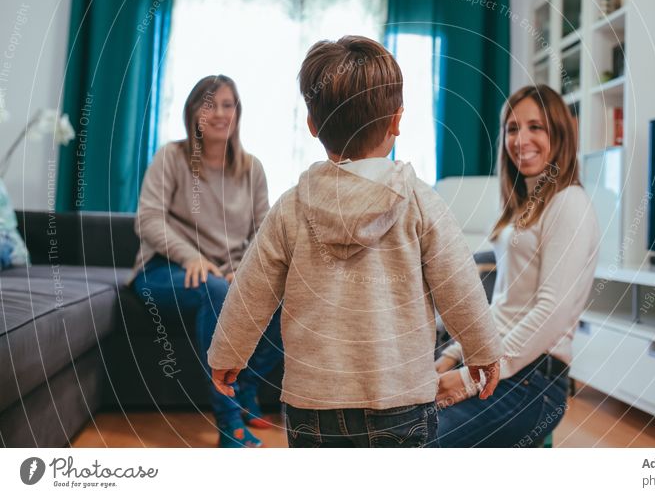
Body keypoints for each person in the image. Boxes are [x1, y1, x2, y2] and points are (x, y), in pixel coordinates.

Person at [207, 36, 503, 448]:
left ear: (312, 126)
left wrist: (227, 354)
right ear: (397, 120)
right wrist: (483, 350)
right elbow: (460, 285)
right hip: (402, 402)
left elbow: (250, 291)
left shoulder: (291, 207)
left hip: (313, 404)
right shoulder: (419, 201)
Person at [435, 84, 600, 447]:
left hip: (533, 380)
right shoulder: (521, 205)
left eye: (535, 127)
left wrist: (469, 379)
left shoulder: (569, 202)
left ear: (559, 133)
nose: (521, 139)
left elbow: (552, 310)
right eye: (512, 128)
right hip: (499, 363)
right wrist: (451, 356)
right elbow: (504, 306)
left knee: (421, 443)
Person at [130, 75, 283, 448]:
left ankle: (247, 389)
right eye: (209, 104)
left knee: (286, 290)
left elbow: (264, 232)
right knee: (214, 290)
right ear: (193, 113)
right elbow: (147, 219)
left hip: (227, 275)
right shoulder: (172, 156)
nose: (219, 113)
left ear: (237, 113)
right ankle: (229, 421)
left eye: (227, 105)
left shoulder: (252, 169)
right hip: (164, 271)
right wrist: (192, 256)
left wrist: (242, 270)